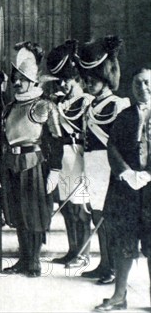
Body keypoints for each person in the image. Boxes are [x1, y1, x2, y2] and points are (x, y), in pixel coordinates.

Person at [0, 42, 63, 278]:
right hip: (11, 163)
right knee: (17, 213)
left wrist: (55, 169)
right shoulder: (9, 108)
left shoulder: (43, 105)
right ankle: (23, 258)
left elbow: (56, 140)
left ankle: (34, 260)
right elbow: (2, 140)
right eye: (15, 78)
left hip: (34, 164)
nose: (17, 82)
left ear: (33, 81)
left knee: (33, 214)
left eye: (23, 78)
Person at [94, 67, 151, 310]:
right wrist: (126, 173)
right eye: (138, 84)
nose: (143, 88)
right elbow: (112, 146)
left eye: (147, 83)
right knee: (123, 242)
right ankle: (119, 296)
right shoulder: (124, 116)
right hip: (126, 190)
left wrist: (148, 175)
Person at [78, 36, 130, 285]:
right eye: (85, 80)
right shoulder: (92, 104)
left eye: (92, 80)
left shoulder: (118, 105)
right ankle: (103, 263)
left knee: (109, 219)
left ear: (105, 78)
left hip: (108, 167)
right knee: (96, 216)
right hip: (92, 165)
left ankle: (113, 269)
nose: (87, 84)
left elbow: (120, 143)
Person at [45, 40, 93, 269]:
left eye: (67, 80)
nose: (63, 84)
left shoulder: (86, 102)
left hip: (78, 156)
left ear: (78, 80)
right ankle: (72, 250)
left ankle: (84, 254)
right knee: (66, 207)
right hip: (62, 157)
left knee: (80, 208)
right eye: (61, 80)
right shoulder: (59, 102)